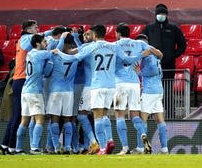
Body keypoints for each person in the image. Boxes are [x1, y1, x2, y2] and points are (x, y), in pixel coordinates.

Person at [53, 24, 155, 155]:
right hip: (111, 87)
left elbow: (73, 58)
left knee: (97, 117)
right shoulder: (114, 46)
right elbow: (127, 60)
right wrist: (140, 55)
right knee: (105, 115)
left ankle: (102, 148)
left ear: (94, 35)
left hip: (97, 86)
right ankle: (113, 142)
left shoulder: (91, 46)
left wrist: (59, 53)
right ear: (105, 33)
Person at [114, 24, 162, 155]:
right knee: (135, 115)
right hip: (135, 84)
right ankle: (143, 136)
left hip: (120, 85)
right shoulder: (139, 43)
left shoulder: (115, 45)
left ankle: (124, 148)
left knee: (119, 114)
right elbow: (158, 54)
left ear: (117, 33)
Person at [0, 20, 39, 154]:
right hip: (21, 80)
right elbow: (42, 37)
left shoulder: (24, 39)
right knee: (19, 116)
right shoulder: (27, 38)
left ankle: (4, 145)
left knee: (16, 115)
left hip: (18, 80)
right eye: (35, 27)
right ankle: (11, 147)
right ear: (28, 29)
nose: (37, 29)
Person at [14, 34, 54, 154]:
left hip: (25, 91)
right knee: (40, 120)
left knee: (24, 121)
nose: (45, 43)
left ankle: (18, 148)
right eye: (44, 41)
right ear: (37, 44)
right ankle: (35, 148)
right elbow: (53, 51)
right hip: (34, 92)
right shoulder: (39, 54)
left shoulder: (30, 53)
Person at [134, 34, 168, 154]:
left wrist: (140, 73)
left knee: (142, 119)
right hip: (159, 90)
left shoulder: (147, 55)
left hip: (149, 91)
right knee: (159, 119)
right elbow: (159, 71)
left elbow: (153, 70)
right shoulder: (154, 53)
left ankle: (140, 148)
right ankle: (164, 149)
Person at [142, 4, 186, 80]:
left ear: (166, 15)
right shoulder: (149, 28)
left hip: (169, 64)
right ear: (155, 15)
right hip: (152, 63)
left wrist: (173, 55)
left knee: (168, 86)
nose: (161, 15)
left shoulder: (173, 28)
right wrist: (149, 55)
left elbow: (182, 45)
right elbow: (142, 42)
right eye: (159, 14)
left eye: (163, 14)